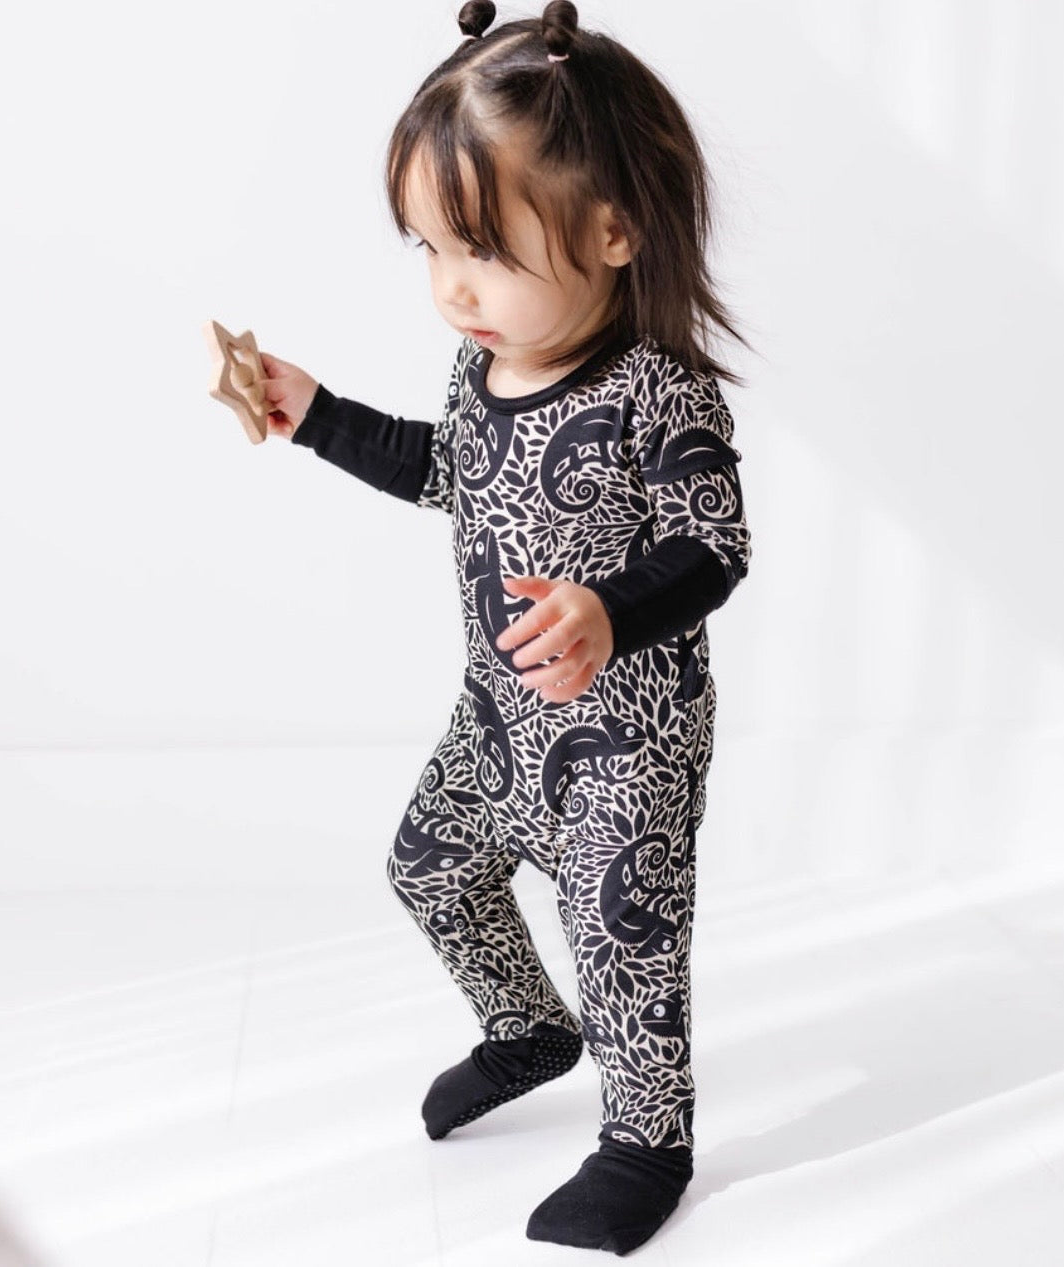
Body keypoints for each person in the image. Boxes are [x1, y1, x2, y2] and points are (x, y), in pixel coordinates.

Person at [251, 1, 753, 1254]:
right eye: (425, 247)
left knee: (622, 936)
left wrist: (608, 609)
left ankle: (646, 1136)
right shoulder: (479, 373)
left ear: (613, 230)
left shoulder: (658, 392)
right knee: (428, 865)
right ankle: (528, 1026)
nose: (449, 287)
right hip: (500, 718)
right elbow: (446, 470)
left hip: (623, 742)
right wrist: (317, 416)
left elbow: (712, 545)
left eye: (479, 248)